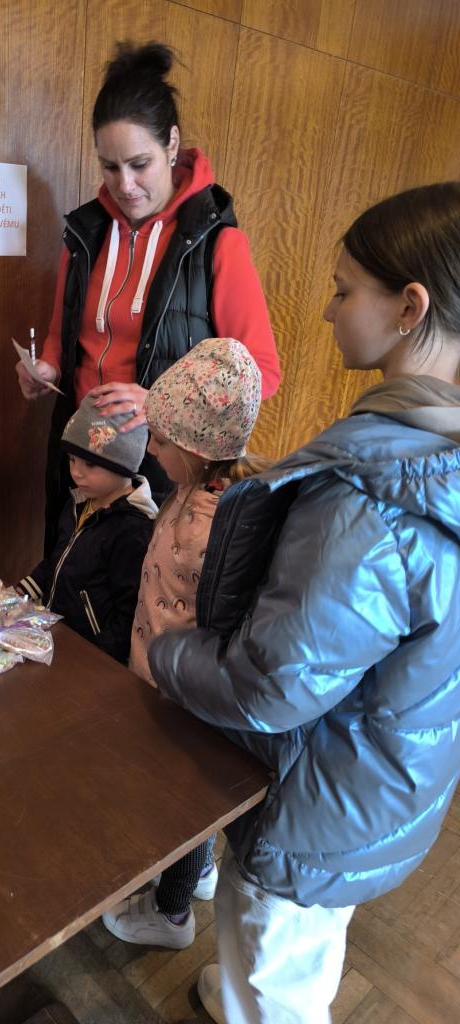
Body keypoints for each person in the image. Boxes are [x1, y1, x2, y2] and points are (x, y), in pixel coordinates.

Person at [147, 181, 460, 1023]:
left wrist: (168, 654)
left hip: (318, 803)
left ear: (409, 307)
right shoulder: (431, 461)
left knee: (275, 956)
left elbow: (271, 686)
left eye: (343, 290)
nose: (327, 311)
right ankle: (238, 994)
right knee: (297, 943)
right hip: (385, 782)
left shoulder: (370, 501)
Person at [15, 40, 280, 553]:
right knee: (68, 575)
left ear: (172, 145)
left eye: (140, 164)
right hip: (80, 453)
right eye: (110, 167)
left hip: (160, 469)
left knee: (138, 593)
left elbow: (261, 375)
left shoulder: (217, 243)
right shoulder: (86, 233)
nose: (125, 184)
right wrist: (45, 367)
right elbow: (61, 333)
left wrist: (161, 403)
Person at [101, 337, 266, 950]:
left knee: (181, 804)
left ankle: (171, 914)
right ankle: (196, 873)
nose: (151, 450)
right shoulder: (195, 492)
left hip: (180, 694)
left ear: (195, 449)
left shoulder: (209, 525)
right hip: (168, 681)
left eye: (161, 441)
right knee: (187, 801)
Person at [18, 398, 156, 663]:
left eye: (89, 464)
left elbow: (127, 615)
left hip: (90, 653)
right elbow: (56, 561)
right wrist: (18, 594)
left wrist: (97, 661)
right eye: (72, 460)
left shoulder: (133, 528)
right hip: (56, 635)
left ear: (124, 465)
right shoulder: (79, 502)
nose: (76, 473)